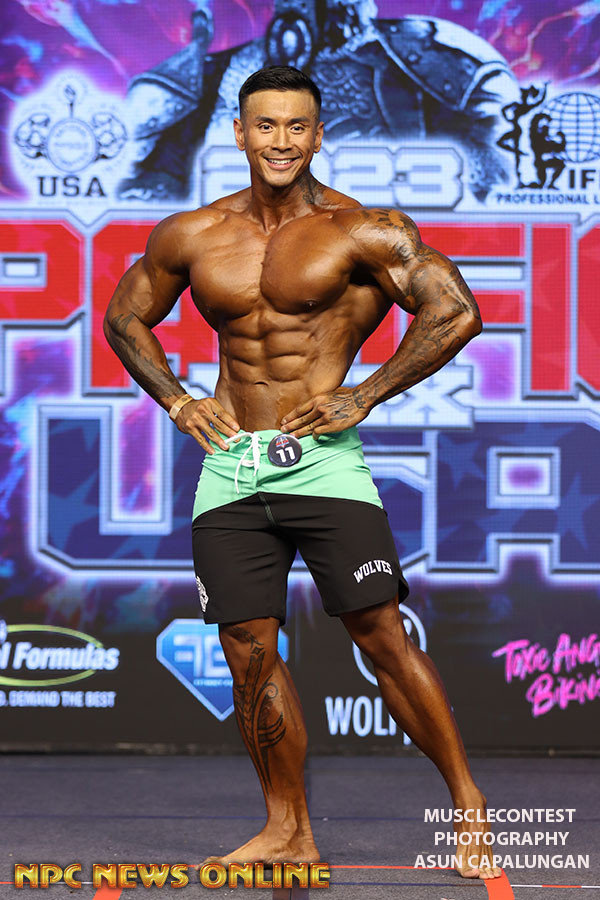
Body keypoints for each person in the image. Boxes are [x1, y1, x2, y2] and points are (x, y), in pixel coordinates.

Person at [104, 65, 501, 881]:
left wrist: (367, 392)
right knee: (248, 650)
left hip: (322, 463)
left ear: (318, 135)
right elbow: (124, 316)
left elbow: (456, 310)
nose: (280, 141)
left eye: (296, 126)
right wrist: (177, 399)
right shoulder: (193, 233)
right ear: (240, 133)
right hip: (231, 467)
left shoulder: (363, 230)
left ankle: (468, 802)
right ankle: (288, 829)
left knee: (381, 636)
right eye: (265, 125)